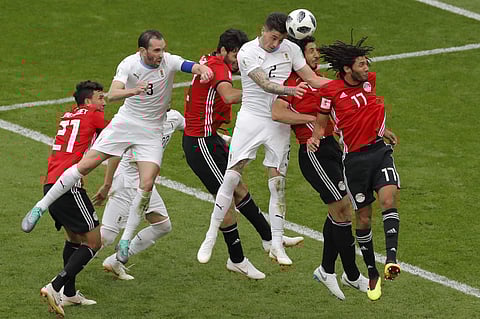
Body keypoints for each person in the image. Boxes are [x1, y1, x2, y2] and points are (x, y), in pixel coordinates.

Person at [22, 30, 214, 265]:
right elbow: (112, 94)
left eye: (162, 49)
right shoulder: (129, 64)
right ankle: (40, 208)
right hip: (127, 122)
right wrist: (134, 91)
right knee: (86, 164)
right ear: (142, 51)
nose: (160, 54)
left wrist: (202, 69)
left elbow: (188, 65)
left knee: (147, 183)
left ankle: (126, 241)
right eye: (156, 50)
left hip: (151, 130)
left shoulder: (168, 60)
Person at [198, 12, 331, 266]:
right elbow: (265, 84)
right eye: (272, 37)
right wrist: (291, 90)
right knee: (232, 175)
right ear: (263, 30)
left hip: (277, 124)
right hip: (251, 118)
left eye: (280, 39)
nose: (275, 43)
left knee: (278, 183)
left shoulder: (290, 49)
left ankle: (277, 245)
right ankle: (210, 235)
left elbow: (312, 78)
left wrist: (340, 88)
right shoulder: (248, 52)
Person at [183, 29, 303, 279]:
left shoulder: (211, 61)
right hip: (200, 142)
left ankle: (269, 239)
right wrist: (262, 91)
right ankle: (237, 259)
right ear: (224, 51)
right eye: (235, 55)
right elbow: (228, 95)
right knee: (226, 198)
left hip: (211, 138)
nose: (239, 61)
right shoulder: (219, 68)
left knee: (239, 188)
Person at [271, 36, 368, 300]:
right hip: (312, 152)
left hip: (332, 148)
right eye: (311, 51)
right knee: (342, 208)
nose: (316, 55)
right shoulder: (293, 82)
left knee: (339, 210)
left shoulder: (319, 79)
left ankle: (327, 270)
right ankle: (351, 273)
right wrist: (311, 120)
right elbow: (278, 113)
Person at [308, 37, 401, 301]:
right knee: (362, 218)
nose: (366, 67)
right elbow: (323, 120)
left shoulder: (369, 80)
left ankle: (392, 259)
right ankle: (371, 271)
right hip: (354, 162)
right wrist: (315, 136)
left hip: (379, 152)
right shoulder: (331, 92)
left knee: (388, 198)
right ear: (347, 69)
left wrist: (383, 130)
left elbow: (369, 110)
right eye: (361, 64)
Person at [31, 81, 108, 318]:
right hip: (68, 187)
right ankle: (55, 286)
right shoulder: (94, 115)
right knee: (95, 241)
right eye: (100, 98)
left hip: (50, 185)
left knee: (74, 238)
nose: (104, 102)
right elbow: (115, 136)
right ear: (88, 102)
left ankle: (70, 292)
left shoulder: (68, 115)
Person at [93, 109, 184, 280]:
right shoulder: (138, 121)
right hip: (126, 182)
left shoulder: (174, 118)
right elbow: (115, 153)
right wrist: (107, 184)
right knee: (107, 235)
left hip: (145, 184)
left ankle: (114, 262)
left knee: (163, 226)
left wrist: (225, 139)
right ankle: (64, 279)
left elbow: (196, 130)